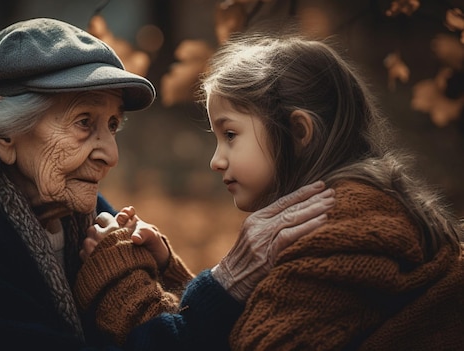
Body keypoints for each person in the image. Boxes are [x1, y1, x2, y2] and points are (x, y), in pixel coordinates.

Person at [0, 18, 334, 350]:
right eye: (84, 122)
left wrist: (166, 273)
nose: (110, 154)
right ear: (4, 133)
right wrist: (225, 284)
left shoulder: (76, 213)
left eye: (113, 125)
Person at [74, 32, 464, 350]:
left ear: (298, 133)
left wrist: (123, 283)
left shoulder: (337, 233)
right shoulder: (363, 209)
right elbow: (268, 312)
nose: (216, 160)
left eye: (230, 135)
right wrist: (171, 274)